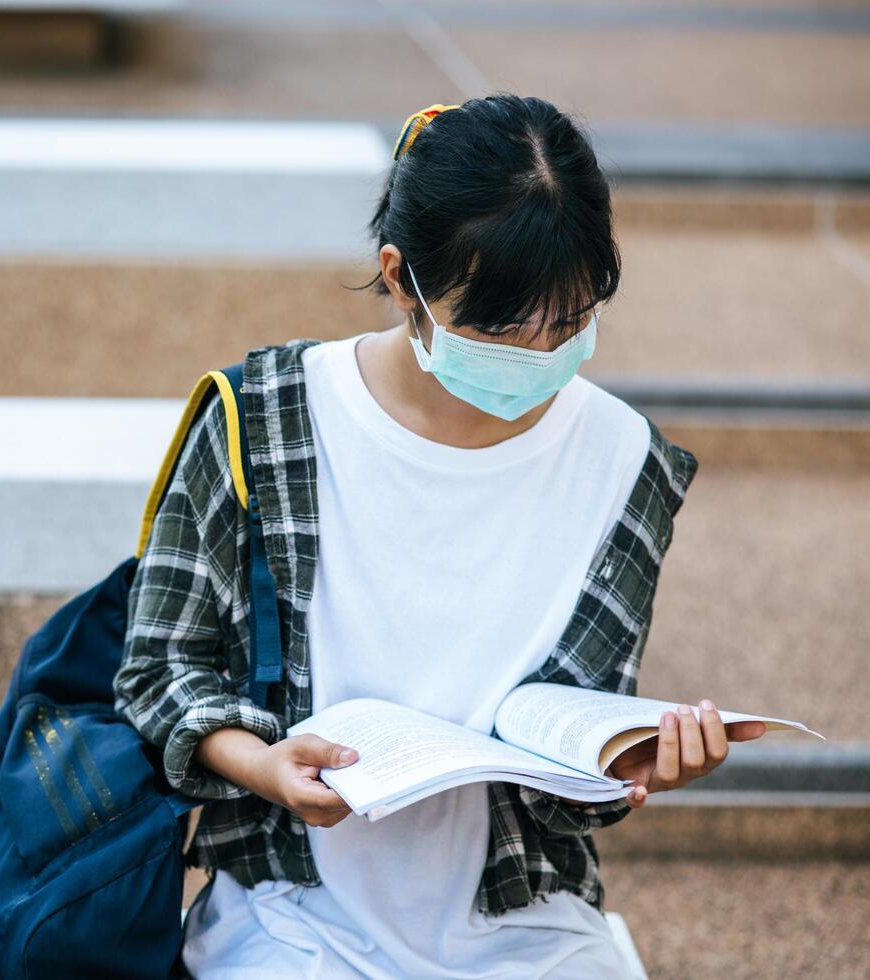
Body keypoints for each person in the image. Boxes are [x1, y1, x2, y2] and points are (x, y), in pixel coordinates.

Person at [113, 94, 767, 979]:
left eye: (569, 324)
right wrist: (263, 765)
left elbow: (572, 750)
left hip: (521, 918)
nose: (537, 364)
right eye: (499, 330)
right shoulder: (261, 421)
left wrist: (626, 764)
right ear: (399, 278)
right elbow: (158, 670)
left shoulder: (625, 461)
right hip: (290, 912)